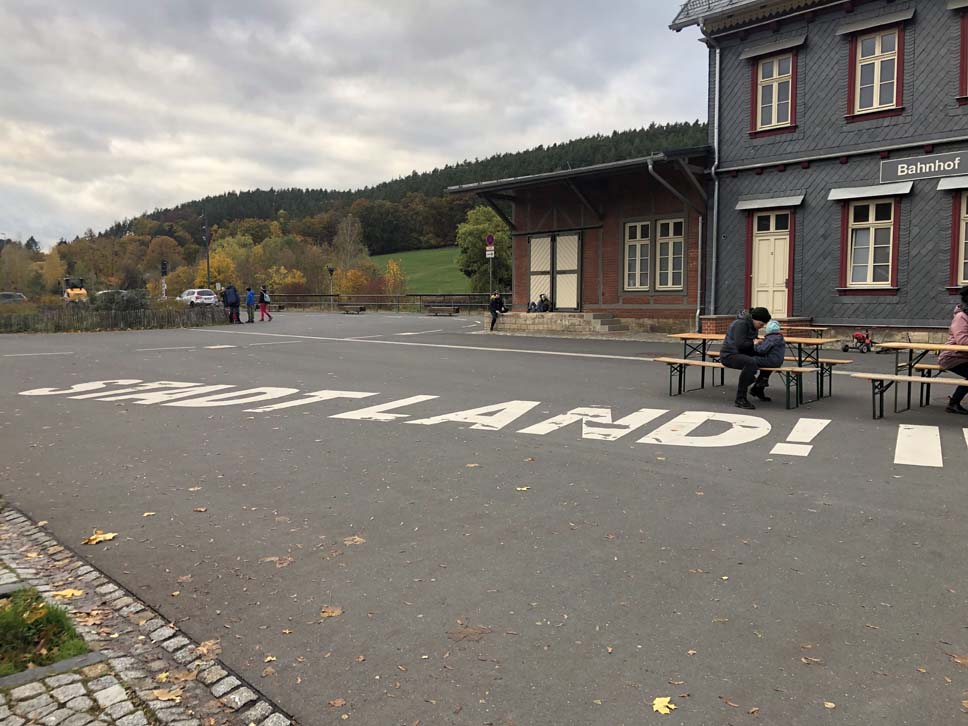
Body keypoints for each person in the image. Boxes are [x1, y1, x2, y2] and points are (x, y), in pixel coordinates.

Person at [719, 307, 772, 409]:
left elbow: (749, 346)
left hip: (744, 353)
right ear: (754, 319)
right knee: (750, 363)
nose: (761, 327)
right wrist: (754, 342)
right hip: (729, 355)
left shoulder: (753, 326)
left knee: (770, 359)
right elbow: (740, 344)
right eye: (761, 324)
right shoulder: (740, 324)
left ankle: (758, 388)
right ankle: (740, 399)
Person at [938, 285, 968, 414]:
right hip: (952, 357)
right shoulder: (961, 316)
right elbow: (962, 340)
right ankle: (954, 403)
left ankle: (954, 403)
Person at [747, 320, 785, 402]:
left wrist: (755, 344)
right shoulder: (779, 337)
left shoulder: (770, 339)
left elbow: (761, 350)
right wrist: (763, 342)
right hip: (777, 361)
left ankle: (751, 379)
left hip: (771, 361)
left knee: (750, 360)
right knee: (765, 371)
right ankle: (758, 388)